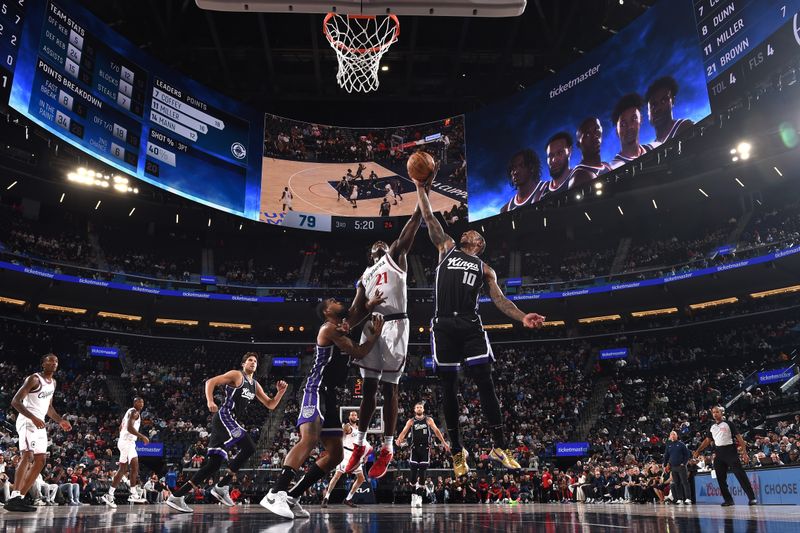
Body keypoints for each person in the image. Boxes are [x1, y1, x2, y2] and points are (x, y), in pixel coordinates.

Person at [414, 174, 546, 478]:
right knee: (449, 388)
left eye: (473, 233)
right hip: (444, 323)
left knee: (485, 380)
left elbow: (500, 301)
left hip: (471, 324)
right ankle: (458, 452)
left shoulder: (485, 268)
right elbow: (429, 216)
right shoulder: (445, 247)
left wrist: (522, 316)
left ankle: (499, 446)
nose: (468, 232)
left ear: (478, 244)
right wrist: (421, 189)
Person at [260, 299, 384, 520]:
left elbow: (356, 311)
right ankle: (274, 492)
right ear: (327, 311)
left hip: (331, 394)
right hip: (315, 388)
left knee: (335, 455)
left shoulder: (341, 325)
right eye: (333, 301)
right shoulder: (328, 328)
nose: (338, 301)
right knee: (309, 439)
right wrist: (375, 335)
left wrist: (369, 301)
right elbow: (358, 351)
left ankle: (292, 496)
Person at [342, 202, 425, 479]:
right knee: (368, 387)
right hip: (371, 325)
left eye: (383, 242)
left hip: (395, 323)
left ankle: (388, 448)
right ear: (369, 253)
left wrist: (419, 208)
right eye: (375, 244)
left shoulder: (394, 257)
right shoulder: (364, 276)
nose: (380, 243)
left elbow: (406, 236)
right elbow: (356, 311)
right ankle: (361, 443)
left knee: (390, 388)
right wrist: (342, 326)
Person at [166, 353, 287, 513]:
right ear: (243, 364)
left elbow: (270, 405)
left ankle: (177, 496)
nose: (253, 362)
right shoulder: (237, 375)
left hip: (229, 421)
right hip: (225, 416)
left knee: (213, 464)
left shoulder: (255, 385)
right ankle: (222, 486)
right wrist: (210, 400)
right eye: (250, 360)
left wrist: (280, 392)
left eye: (255, 361)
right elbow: (211, 382)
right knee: (249, 447)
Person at [6, 354, 72, 512]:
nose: (53, 363)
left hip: (39, 422)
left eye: (56, 360)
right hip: (27, 421)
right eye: (50, 360)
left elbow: (48, 407)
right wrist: (33, 417)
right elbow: (15, 401)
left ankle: (20, 498)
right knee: (27, 455)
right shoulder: (34, 379)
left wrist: (60, 420)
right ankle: (14, 496)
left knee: (41, 460)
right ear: (43, 363)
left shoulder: (53, 383)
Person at [692, 406, 757, 506]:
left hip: (730, 451)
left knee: (740, 475)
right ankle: (728, 500)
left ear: (721, 413)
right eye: (713, 412)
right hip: (719, 452)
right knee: (720, 478)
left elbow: (739, 438)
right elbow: (707, 441)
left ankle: (752, 498)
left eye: (717, 412)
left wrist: (744, 453)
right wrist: (698, 450)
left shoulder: (729, 424)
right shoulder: (711, 426)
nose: (715, 414)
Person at [396, 402, 450, 508]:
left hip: (425, 449)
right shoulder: (411, 421)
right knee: (412, 477)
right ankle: (413, 494)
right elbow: (404, 431)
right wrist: (399, 439)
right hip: (414, 450)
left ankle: (419, 498)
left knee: (422, 475)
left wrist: (444, 443)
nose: (419, 409)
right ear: (414, 409)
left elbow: (437, 431)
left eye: (421, 407)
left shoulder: (429, 420)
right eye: (417, 407)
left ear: (423, 409)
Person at [101, 397, 150, 508]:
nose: (141, 404)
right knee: (134, 467)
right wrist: (142, 437)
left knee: (123, 469)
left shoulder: (129, 411)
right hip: (128, 442)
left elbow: (120, 427)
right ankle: (133, 493)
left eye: (143, 402)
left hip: (123, 442)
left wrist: (122, 438)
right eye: (139, 402)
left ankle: (109, 494)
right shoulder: (135, 412)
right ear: (134, 403)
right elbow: (129, 428)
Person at [321, 411, 372, 508]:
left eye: (355, 415)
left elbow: (364, 442)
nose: (354, 416)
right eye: (352, 415)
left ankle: (348, 499)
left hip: (356, 454)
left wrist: (366, 456)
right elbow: (339, 436)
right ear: (349, 417)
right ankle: (326, 497)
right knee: (337, 475)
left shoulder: (361, 429)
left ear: (357, 417)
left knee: (361, 478)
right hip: (346, 453)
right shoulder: (347, 426)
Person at [610, 93, 658, 169]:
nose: (629, 127)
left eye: (634, 119)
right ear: (617, 131)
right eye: (623, 124)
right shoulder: (614, 167)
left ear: (640, 119)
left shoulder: (655, 147)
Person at [645, 76, 694, 143]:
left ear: (672, 101)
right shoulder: (653, 146)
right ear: (648, 111)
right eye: (653, 105)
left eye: (663, 101)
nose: (658, 108)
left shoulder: (685, 127)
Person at [567, 117, 613, 188]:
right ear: (579, 144)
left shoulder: (606, 165)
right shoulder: (579, 176)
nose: (595, 136)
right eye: (587, 134)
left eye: (596, 130)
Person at [532, 132, 572, 203]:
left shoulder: (580, 175)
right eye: (550, 156)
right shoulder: (541, 191)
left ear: (569, 151)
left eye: (559, 153)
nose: (554, 160)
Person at [662, 430, 692, 505]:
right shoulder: (668, 445)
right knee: (676, 483)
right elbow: (666, 456)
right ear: (669, 437)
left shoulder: (681, 444)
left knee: (685, 482)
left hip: (681, 466)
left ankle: (688, 498)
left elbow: (687, 455)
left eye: (674, 434)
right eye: (671, 434)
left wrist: (684, 463)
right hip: (673, 467)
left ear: (677, 436)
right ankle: (680, 499)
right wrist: (665, 465)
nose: (673, 435)